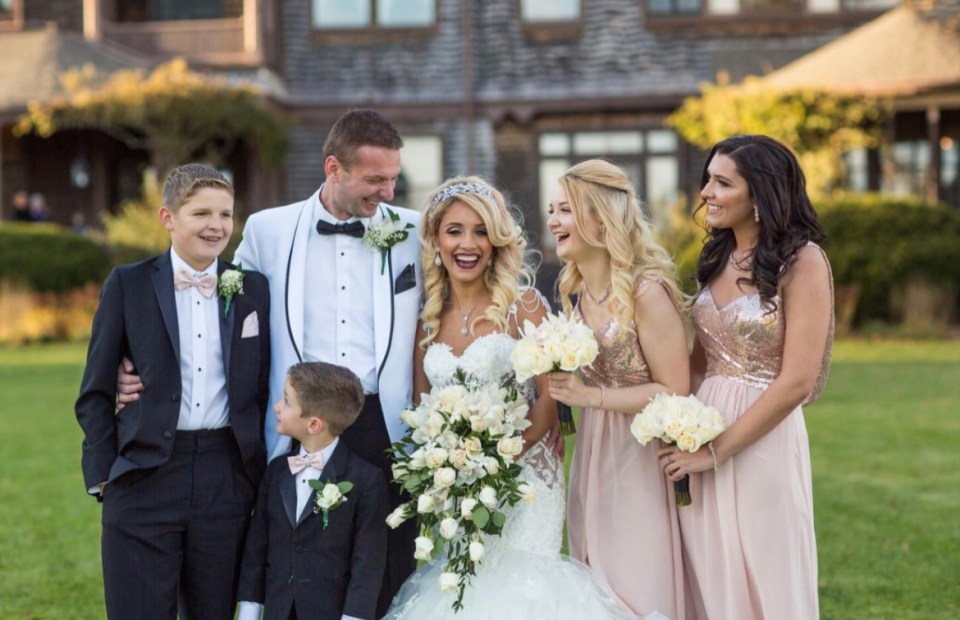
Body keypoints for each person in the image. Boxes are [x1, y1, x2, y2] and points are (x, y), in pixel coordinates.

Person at [116, 109, 421, 614]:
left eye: (393, 179)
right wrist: (131, 365)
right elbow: (220, 314)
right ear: (333, 168)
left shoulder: (414, 231)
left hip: (385, 424)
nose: (387, 192)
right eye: (374, 180)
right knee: (294, 563)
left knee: (386, 564)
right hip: (295, 424)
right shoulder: (266, 230)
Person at [385, 177, 638, 619]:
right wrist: (450, 467)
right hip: (460, 486)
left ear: (497, 241)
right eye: (455, 230)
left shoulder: (524, 306)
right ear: (436, 239)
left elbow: (548, 396)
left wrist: (498, 461)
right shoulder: (426, 317)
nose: (468, 244)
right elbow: (420, 404)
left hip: (526, 481)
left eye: (481, 231)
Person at [75, 163, 271, 620]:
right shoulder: (128, 284)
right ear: (168, 218)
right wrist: (104, 475)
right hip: (144, 475)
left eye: (225, 214)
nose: (216, 225)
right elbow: (95, 391)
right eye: (201, 213)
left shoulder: (252, 290)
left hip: (227, 475)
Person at [658, 135, 833, 620]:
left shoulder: (803, 262)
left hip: (761, 437)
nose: (706, 193)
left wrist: (715, 450)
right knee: (711, 574)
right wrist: (674, 423)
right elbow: (698, 362)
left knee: (766, 570)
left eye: (722, 182)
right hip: (702, 427)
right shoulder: (714, 258)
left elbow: (797, 381)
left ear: (759, 194)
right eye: (707, 181)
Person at [545, 159, 690, 618]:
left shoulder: (646, 292)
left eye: (565, 210)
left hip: (641, 452)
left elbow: (675, 388)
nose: (553, 221)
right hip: (594, 448)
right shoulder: (575, 293)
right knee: (595, 573)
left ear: (598, 217)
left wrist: (592, 398)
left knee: (635, 574)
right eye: (552, 210)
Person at [237, 362, 389, 620]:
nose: (277, 407)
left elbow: (367, 563)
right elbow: (257, 548)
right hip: (279, 611)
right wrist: (250, 611)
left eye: (286, 402)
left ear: (314, 424)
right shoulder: (276, 471)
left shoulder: (366, 481)